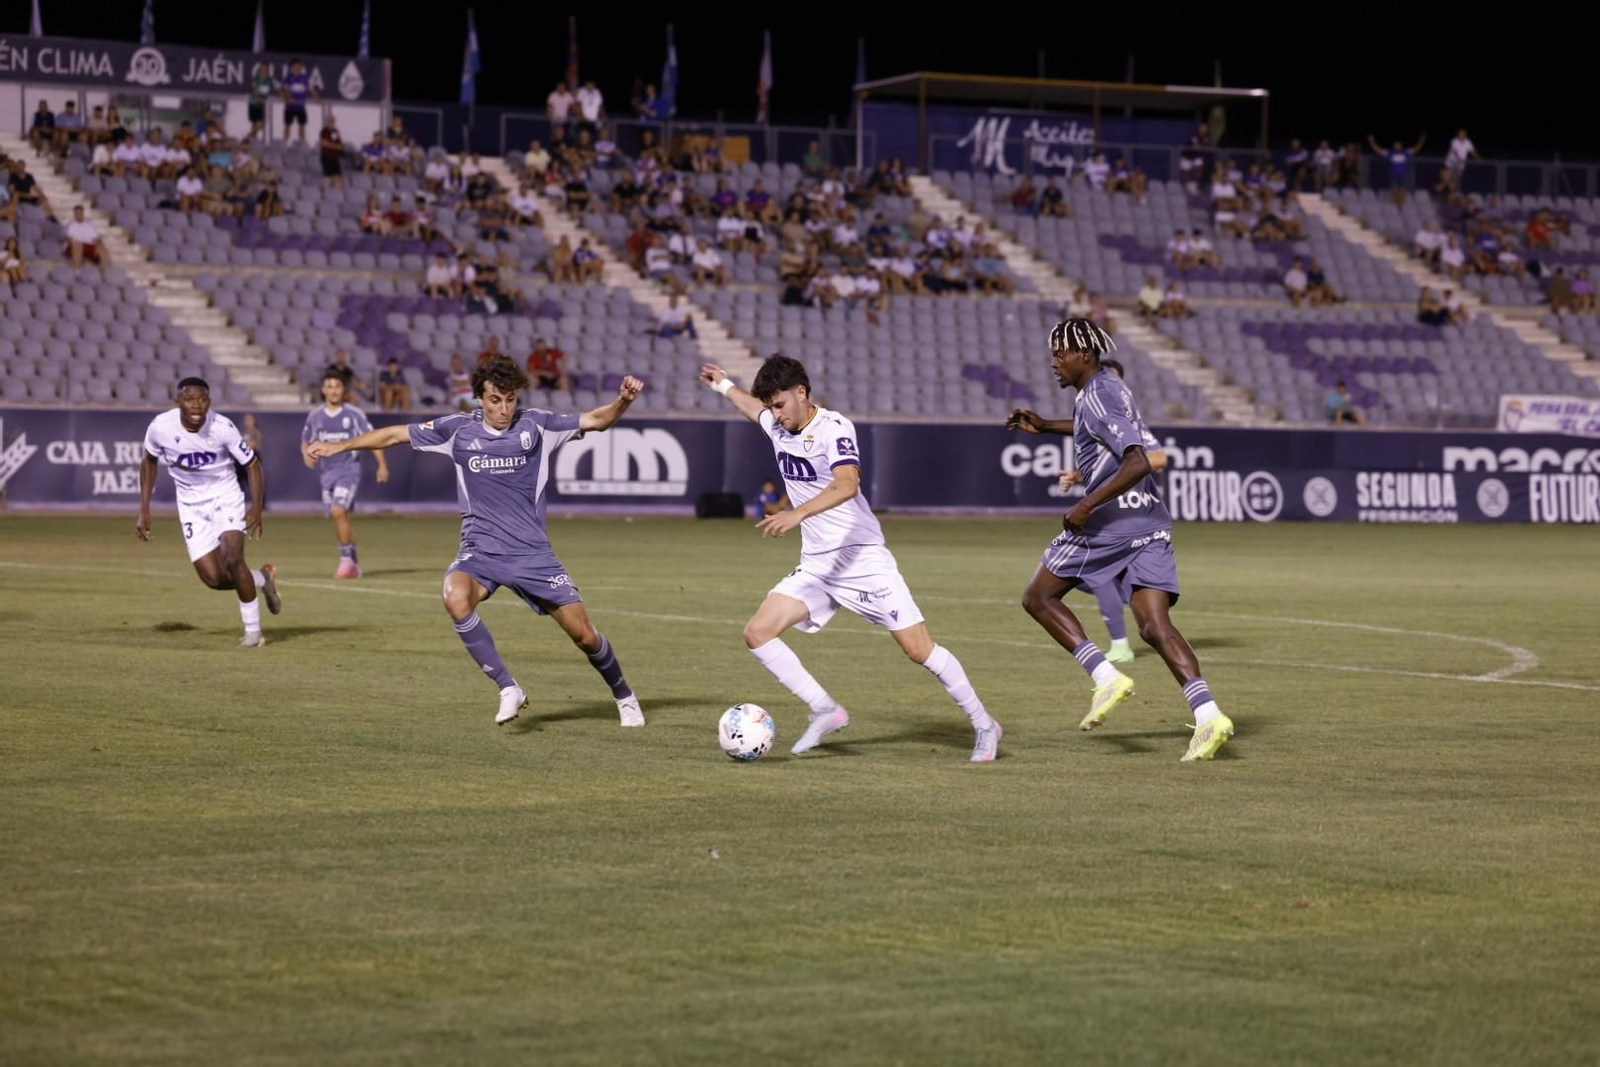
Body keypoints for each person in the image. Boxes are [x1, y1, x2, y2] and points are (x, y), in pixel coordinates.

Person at [306, 356, 647, 729]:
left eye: (511, 399)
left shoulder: (538, 426)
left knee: (584, 636)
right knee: (454, 594)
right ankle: (508, 687)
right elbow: (393, 435)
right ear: (479, 399)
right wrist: (340, 448)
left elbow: (597, 420)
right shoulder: (458, 430)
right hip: (480, 551)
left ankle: (624, 695)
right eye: (496, 400)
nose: (504, 409)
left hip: (532, 554)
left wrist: (623, 402)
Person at [698, 355, 1002, 762]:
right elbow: (752, 409)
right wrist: (722, 385)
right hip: (819, 565)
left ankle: (985, 724)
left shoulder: (834, 428)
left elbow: (846, 484)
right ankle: (826, 710)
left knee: (918, 650)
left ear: (801, 393)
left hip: (862, 560)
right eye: (771, 406)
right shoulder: (778, 423)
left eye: (780, 404)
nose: (775, 413)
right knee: (758, 632)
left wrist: (797, 513)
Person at [1014, 320, 1233, 762]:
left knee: (1038, 598)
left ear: (1086, 356)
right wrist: (1045, 426)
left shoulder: (1098, 394)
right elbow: (1097, 428)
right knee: (1154, 626)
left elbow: (1137, 461)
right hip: (1150, 521)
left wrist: (1086, 505)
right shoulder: (1105, 387)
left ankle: (1105, 676)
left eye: (1062, 353)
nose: (1054, 361)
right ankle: (1210, 716)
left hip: (1112, 524)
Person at [1006, 358, 1169, 665]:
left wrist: (1090, 499)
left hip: (1126, 515)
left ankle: (1117, 649)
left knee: (1066, 586)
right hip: (1111, 512)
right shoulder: (1098, 405)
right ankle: (1205, 707)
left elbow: (1155, 457)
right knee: (1141, 615)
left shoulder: (1124, 414)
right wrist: (1049, 432)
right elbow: (1096, 433)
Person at [136, 377, 282, 648]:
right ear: (178, 402)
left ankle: (253, 633)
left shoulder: (223, 427)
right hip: (191, 506)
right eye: (189, 399)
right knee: (214, 579)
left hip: (225, 496)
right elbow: (149, 461)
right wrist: (144, 508)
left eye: (202, 400)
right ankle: (262, 578)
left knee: (232, 557)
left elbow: (252, 465)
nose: (196, 405)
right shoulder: (160, 428)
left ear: (209, 402)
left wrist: (257, 506)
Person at [301, 367, 390, 579]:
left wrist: (382, 465)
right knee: (341, 518)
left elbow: (373, 438)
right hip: (327, 474)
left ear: (344, 390)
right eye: (329, 386)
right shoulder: (315, 416)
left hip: (349, 470)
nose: (333, 391)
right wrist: (307, 454)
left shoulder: (354, 415)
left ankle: (345, 561)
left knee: (338, 510)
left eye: (337, 386)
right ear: (323, 390)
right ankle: (354, 564)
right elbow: (306, 439)